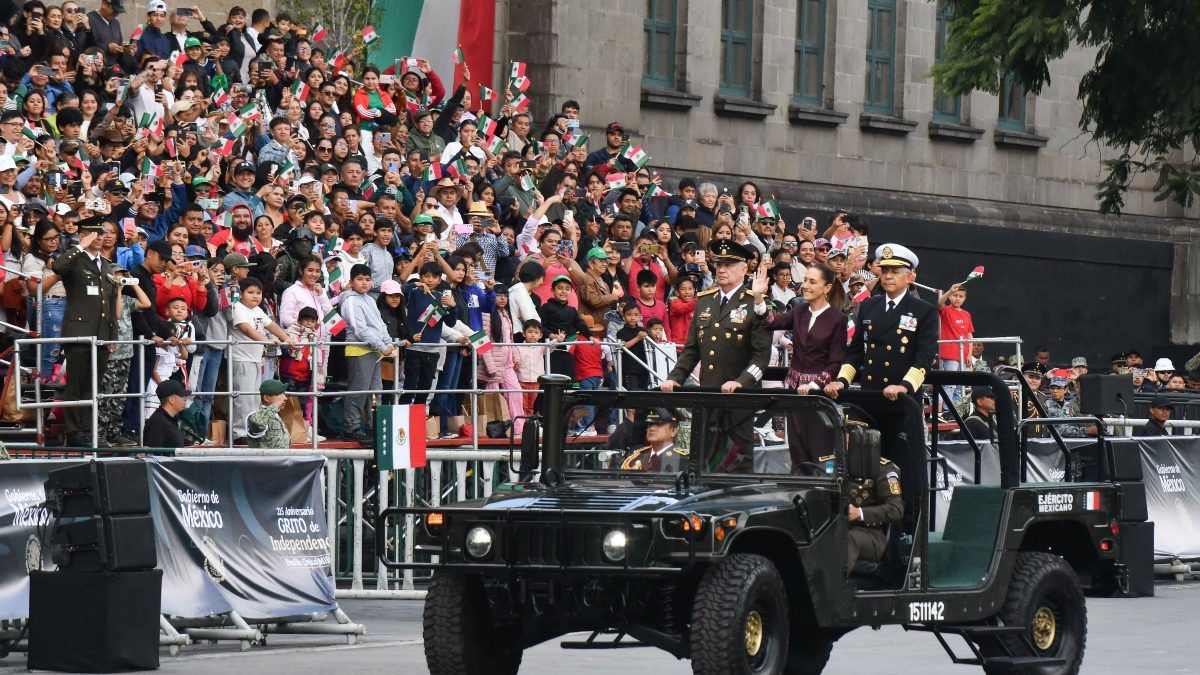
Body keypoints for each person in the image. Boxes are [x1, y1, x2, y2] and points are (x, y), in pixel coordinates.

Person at [825, 243, 938, 528]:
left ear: (910, 276)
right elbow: (855, 353)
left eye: (895, 271)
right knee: (867, 467)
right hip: (871, 401)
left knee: (903, 470)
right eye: (884, 270)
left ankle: (907, 534)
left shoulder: (923, 311)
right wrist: (842, 379)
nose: (888, 276)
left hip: (901, 404)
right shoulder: (869, 306)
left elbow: (924, 358)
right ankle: (869, 529)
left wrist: (904, 386)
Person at [662, 239, 772, 472]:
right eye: (719, 264)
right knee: (706, 457)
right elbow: (692, 349)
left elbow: (761, 358)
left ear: (744, 269)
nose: (721, 270)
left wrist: (741, 382)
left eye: (729, 265)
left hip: (739, 398)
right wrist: (676, 377)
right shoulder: (704, 301)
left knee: (738, 459)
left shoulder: (756, 302)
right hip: (709, 393)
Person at [753, 262, 848, 470]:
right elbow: (770, 322)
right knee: (797, 449)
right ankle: (799, 492)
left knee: (820, 450)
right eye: (805, 280)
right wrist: (759, 297)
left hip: (819, 397)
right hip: (795, 392)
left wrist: (814, 385)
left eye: (812, 282)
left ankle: (822, 491)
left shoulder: (838, 319)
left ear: (827, 288)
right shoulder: (799, 310)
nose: (805, 285)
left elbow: (835, 363)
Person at [52, 217, 119, 446]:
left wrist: (112, 337)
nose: (100, 238)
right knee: (77, 384)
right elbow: (58, 267)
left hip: (100, 335)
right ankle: (74, 432)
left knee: (93, 385)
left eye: (102, 234)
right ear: (84, 236)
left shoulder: (106, 265)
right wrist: (79, 246)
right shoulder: (76, 259)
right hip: (79, 332)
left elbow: (109, 304)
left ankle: (89, 430)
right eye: (95, 234)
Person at [339, 264, 399, 441]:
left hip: (375, 350)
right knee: (358, 391)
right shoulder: (350, 300)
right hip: (359, 350)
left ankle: (374, 426)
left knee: (375, 391)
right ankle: (352, 427)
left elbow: (380, 325)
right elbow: (360, 330)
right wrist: (383, 346)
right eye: (359, 279)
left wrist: (388, 343)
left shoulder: (370, 299)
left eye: (367, 279)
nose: (364, 283)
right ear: (351, 282)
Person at [846, 457, 904, 574]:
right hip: (835, 528)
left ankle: (832, 588)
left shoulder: (883, 468)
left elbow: (896, 509)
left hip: (872, 534)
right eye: (844, 437)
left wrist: (860, 513)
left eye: (850, 437)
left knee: (847, 539)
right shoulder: (830, 466)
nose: (847, 440)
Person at [937, 282, 974, 405]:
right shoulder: (947, 310)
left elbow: (969, 335)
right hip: (950, 353)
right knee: (950, 384)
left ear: (965, 298)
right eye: (955, 295)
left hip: (964, 354)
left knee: (961, 384)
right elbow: (940, 303)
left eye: (961, 296)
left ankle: (957, 410)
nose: (957, 298)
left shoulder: (966, 314)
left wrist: (969, 354)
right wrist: (949, 291)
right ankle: (948, 410)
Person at [620, 408, 688, 472]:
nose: (652, 429)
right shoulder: (634, 458)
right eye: (650, 424)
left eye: (659, 425)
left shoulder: (683, 461)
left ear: (673, 431)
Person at [142, 379, 189, 447]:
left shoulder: (170, 419)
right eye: (182, 396)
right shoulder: (157, 423)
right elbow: (152, 455)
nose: (185, 399)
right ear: (171, 399)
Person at [246, 379, 291, 448]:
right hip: (265, 458)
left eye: (284, 394)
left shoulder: (275, 414)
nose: (285, 398)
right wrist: (276, 405)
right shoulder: (256, 415)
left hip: (281, 457)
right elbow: (259, 421)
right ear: (266, 398)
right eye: (280, 394)